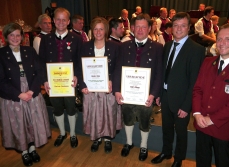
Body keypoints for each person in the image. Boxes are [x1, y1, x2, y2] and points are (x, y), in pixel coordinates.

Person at [151, 12, 205, 167]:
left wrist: (187, 106)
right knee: (166, 128)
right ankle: (166, 152)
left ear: (189, 28)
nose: (179, 28)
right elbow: (164, 72)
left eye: (182, 25)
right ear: (171, 27)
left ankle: (178, 158)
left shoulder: (197, 50)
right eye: (176, 25)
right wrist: (160, 93)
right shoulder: (167, 45)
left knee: (181, 133)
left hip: (182, 100)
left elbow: (195, 82)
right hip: (166, 95)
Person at [192, 23, 229, 167]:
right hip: (201, 125)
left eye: (228, 39)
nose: (222, 43)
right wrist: (197, 114)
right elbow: (197, 89)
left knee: (222, 162)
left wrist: (211, 119)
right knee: (202, 161)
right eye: (219, 39)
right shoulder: (207, 62)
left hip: (223, 128)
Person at [114, 13, 163, 161]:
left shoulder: (158, 47)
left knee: (145, 120)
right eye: (138, 27)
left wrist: (153, 94)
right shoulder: (123, 46)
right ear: (133, 28)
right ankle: (129, 143)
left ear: (149, 29)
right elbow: (117, 70)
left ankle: (143, 145)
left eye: (144, 27)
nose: (140, 30)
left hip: (146, 95)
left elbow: (159, 74)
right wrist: (116, 90)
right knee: (127, 118)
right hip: (127, 94)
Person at [0, 22, 51, 166]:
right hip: (13, 96)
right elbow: (1, 81)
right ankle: (24, 151)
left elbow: (39, 72)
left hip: (32, 92)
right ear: (6, 37)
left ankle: (33, 148)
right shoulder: (1, 54)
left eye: (18, 35)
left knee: (32, 123)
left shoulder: (29, 51)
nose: (15, 38)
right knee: (19, 124)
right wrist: (19, 94)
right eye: (12, 35)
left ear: (22, 36)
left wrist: (31, 91)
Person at [78, 17, 122, 153]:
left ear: (106, 31)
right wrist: (82, 84)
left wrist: (112, 82)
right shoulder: (85, 46)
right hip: (90, 89)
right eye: (95, 29)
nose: (98, 32)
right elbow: (79, 68)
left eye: (101, 29)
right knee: (94, 114)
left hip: (107, 88)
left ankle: (108, 139)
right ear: (92, 30)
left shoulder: (115, 47)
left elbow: (118, 68)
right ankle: (96, 138)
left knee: (108, 113)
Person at [39, 7, 82, 148]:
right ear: (53, 20)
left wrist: (76, 75)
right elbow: (41, 61)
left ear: (69, 21)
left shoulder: (76, 39)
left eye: (64, 19)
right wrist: (45, 80)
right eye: (58, 19)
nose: (61, 22)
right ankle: (63, 133)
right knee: (57, 108)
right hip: (53, 83)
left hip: (69, 82)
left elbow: (80, 60)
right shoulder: (46, 39)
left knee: (71, 108)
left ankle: (73, 134)